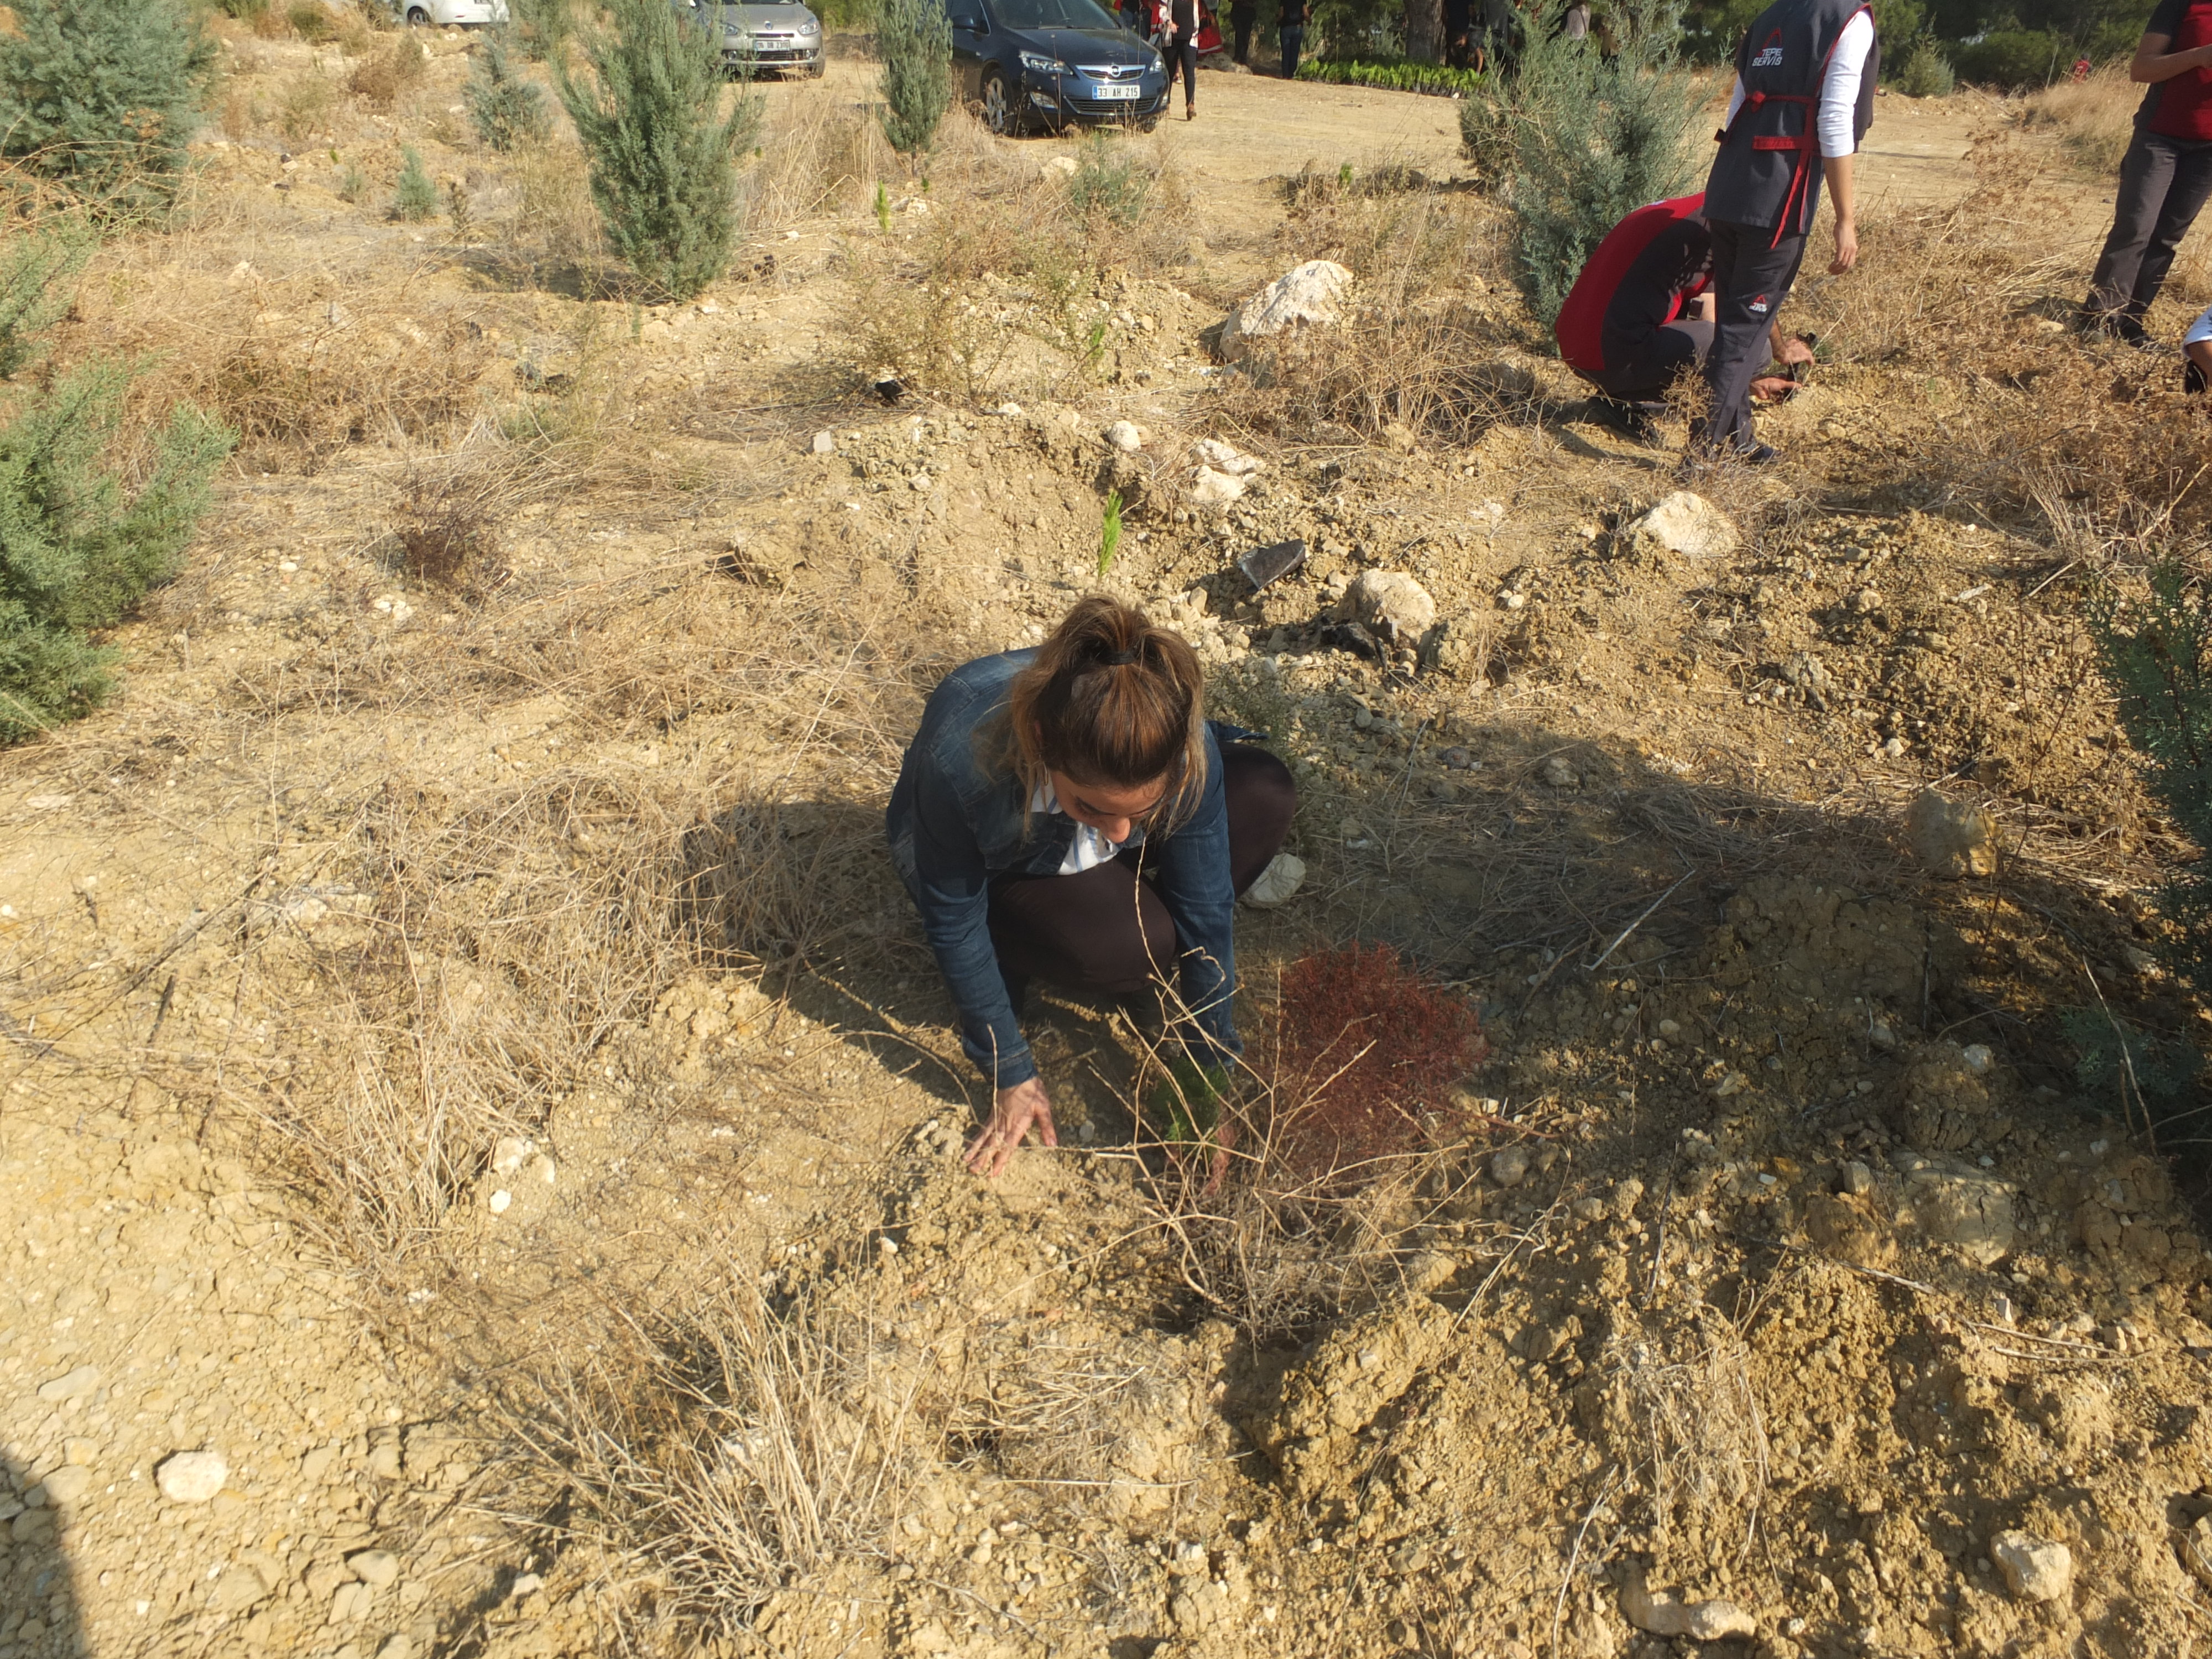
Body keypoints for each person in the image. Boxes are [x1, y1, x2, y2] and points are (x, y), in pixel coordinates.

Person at [886, 597, 1298, 1179]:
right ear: (1040, 740)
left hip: (1077, 819)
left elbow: (1207, 905)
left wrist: (1207, 1071)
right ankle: (1043, 947)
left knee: (1263, 790)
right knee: (1136, 947)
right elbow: (953, 916)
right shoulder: (962, 763)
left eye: (1142, 810)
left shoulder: (1186, 748)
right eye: (1093, 807)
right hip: (1006, 863)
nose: (1123, 833)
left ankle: (1105, 896)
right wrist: (1009, 1068)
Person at [1693, 0, 1876, 464]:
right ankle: (1700, 459)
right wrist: (1845, 218)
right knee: (1742, 333)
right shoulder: (1848, 19)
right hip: (1777, 196)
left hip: (1730, 185)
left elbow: (1737, 106)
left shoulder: (1771, 16)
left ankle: (1739, 441)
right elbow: (1835, 118)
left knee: (1737, 326)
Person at [1554, 192, 1816, 436]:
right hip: (1611, 354)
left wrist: (1744, 380)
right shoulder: (1723, 230)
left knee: (1736, 350)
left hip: (1576, 346)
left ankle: (1623, 396)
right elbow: (1745, 313)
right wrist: (1779, 351)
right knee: (1758, 351)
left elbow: (1711, 315)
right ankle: (1633, 403)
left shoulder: (1698, 212)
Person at [2081, 4, 2212, 348]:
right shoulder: (2182, 6)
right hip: (2159, 137)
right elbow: (2141, 69)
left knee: (2167, 236)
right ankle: (2099, 316)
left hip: (2208, 151)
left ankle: (2130, 322)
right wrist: (2200, 56)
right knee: (2136, 226)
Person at [1165, 0, 1201, 117]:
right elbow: (1163, 9)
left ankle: (1191, 105)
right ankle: (1166, 104)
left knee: (1189, 72)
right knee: (1169, 72)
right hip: (1172, 39)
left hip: (1190, 39)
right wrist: (1169, 22)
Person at [1277, 0, 1305, 78]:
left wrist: (1276, 21)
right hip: (1297, 28)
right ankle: (1291, 73)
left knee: (1286, 53)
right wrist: (1310, 21)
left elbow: (1281, 14)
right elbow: (1306, 13)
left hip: (1285, 28)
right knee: (1295, 53)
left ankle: (1285, 75)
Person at [1230, 0, 1256, 64]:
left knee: (1246, 36)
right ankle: (1238, 56)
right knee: (1239, 33)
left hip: (1249, 11)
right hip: (1237, 10)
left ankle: (1243, 58)